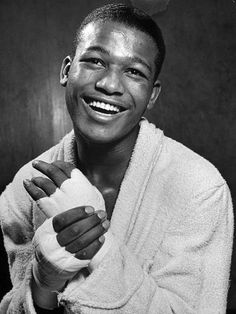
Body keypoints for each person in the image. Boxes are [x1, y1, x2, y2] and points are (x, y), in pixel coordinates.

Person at [0, 3, 233, 314]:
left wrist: (100, 249)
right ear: (67, 71)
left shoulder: (200, 189)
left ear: (152, 95)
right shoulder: (25, 189)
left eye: (134, 72)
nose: (109, 85)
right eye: (96, 61)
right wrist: (43, 284)